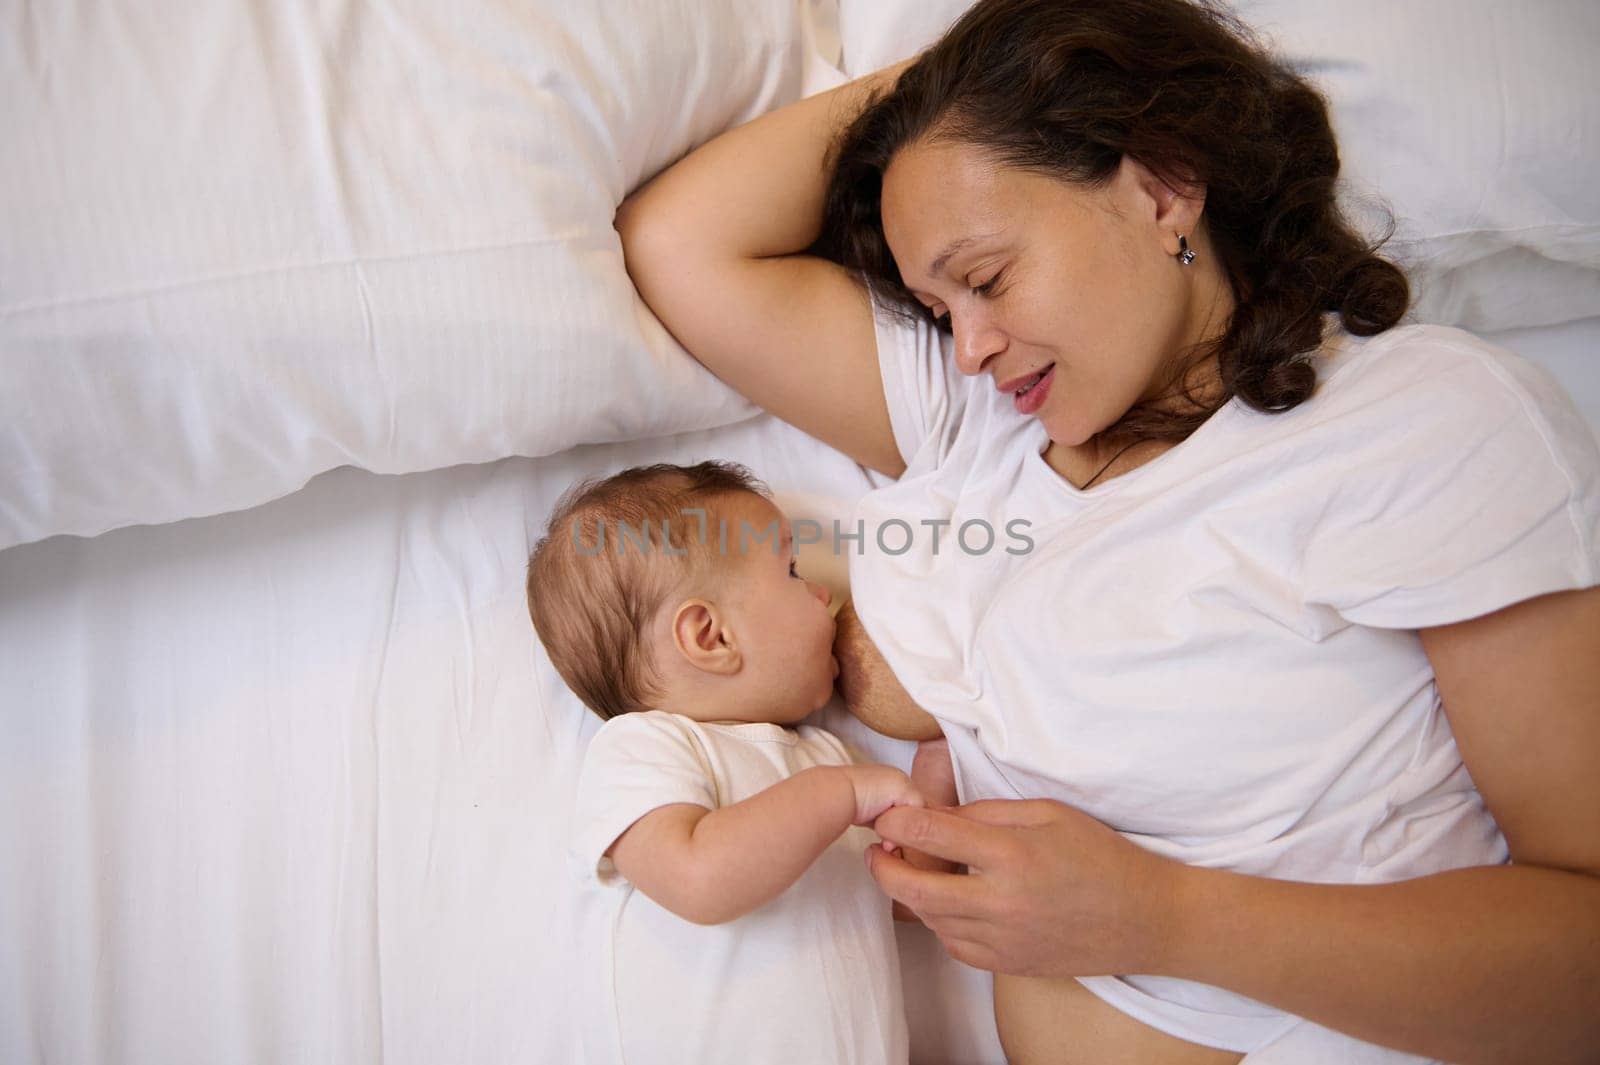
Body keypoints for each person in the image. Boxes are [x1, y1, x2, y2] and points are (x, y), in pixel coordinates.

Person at [612, 0, 1600, 1062]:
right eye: (938, 309)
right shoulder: (982, 425)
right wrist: (943, 96)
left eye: (985, 277)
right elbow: (681, 243)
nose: (967, 346)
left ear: (1162, 186)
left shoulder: (1422, 426)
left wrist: (1156, 917)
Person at [527, 460, 940, 1065]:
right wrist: (841, 796)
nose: (823, 592)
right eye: (793, 571)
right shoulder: (644, 747)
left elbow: (901, 898)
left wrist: (938, 763)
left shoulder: (824, 756)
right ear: (711, 637)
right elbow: (698, 879)